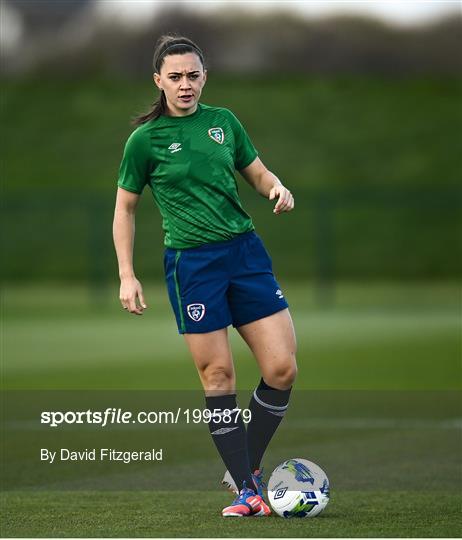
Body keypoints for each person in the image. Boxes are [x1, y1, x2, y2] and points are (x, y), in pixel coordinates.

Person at [113, 35, 297, 517]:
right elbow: (125, 210)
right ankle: (246, 491)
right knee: (219, 376)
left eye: (193, 75)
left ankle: (245, 465)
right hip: (192, 266)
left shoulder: (223, 122)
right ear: (158, 81)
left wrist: (276, 186)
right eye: (174, 76)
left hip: (245, 255)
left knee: (282, 368)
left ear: (204, 77)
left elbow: (255, 173)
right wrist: (127, 274)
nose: (185, 84)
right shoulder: (144, 141)